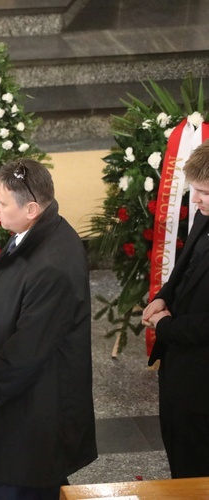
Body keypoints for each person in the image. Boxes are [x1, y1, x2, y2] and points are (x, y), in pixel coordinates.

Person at [0, 159, 97, 499]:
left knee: (19, 484)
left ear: (31, 208)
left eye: (2, 202)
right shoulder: (38, 233)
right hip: (26, 391)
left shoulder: (53, 264)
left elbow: (30, 349)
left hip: (40, 404)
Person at [142, 139, 209, 479]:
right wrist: (163, 296)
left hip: (203, 379)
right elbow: (184, 266)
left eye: (204, 192)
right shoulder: (204, 215)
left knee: (197, 466)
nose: (195, 200)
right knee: (178, 451)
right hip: (180, 370)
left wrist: (165, 327)